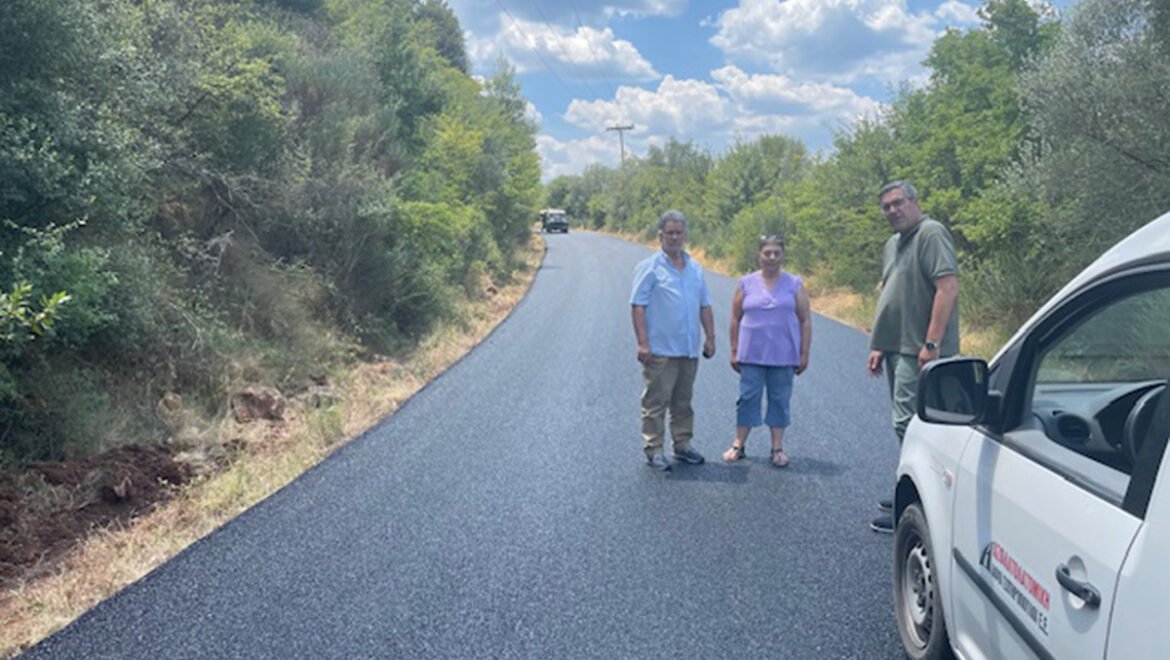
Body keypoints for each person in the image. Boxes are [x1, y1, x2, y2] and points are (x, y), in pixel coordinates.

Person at [867, 181, 959, 533]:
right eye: (886, 207)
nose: (892, 210)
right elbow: (894, 293)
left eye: (898, 203)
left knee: (910, 425)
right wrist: (879, 343)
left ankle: (917, 504)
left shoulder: (931, 233)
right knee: (911, 424)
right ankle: (913, 488)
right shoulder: (893, 244)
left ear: (914, 201)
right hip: (897, 346)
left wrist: (932, 343)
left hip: (921, 351)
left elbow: (947, 286)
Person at [630, 210, 716, 471]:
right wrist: (643, 343)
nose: (675, 237)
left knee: (683, 402)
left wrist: (710, 338)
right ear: (660, 236)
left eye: (679, 233)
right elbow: (638, 305)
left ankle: (683, 445)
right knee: (656, 402)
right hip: (660, 349)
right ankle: (654, 449)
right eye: (670, 233)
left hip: (688, 349)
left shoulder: (696, 268)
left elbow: (705, 306)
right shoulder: (650, 268)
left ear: (685, 235)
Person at [723, 236, 811, 467]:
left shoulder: (794, 284)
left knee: (780, 399)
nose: (772, 257)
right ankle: (738, 445)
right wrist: (733, 349)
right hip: (751, 353)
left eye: (776, 253)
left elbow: (805, 320)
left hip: (784, 354)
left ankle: (777, 448)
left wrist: (804, 353)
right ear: (759, 255)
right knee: (747, 398)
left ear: (782, 256)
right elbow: (735, 318)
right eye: (767, 253)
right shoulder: (746, 283)